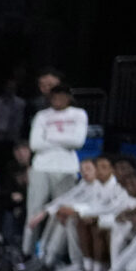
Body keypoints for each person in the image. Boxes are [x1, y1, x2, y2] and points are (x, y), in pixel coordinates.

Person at [24, 81, 86, 257]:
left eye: (61, 96)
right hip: (41, 167)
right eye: (54, 97)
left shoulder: (78, 114)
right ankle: (27, 253)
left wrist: (49, 137)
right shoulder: (42, 116)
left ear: (68, 98)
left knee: (61, 213)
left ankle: (52, 255)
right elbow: (35, 144)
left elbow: (78, 142)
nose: (58, 100)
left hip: (66, 168)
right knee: (34, 210)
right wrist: (64, 139)